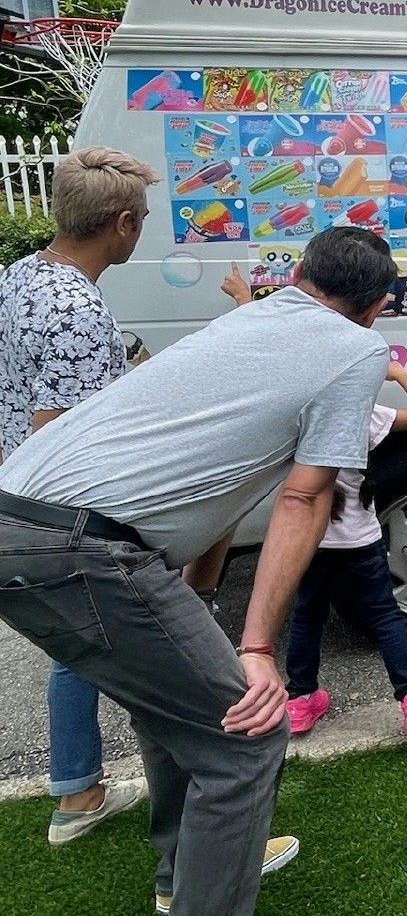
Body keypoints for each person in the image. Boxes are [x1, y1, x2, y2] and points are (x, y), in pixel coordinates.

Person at [0, 226, 396, 914]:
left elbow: (220, 489)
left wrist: (203, 600)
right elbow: (303, 496)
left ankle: (179, 877)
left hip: (19, 513)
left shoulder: (254, 317)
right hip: (82, 545)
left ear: (299, 274)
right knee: (247, 734)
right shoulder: (358, 349)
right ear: (377, 306)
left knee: (173, 705)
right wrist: (260, 647)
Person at [0, 147, 155, 845]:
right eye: (143, 218)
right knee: (136, 648)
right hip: (55, 510)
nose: (142, 227)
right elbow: (56, 436)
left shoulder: (20, 276)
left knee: (75, 648)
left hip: (14, 493)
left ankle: (78, 789)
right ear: (121, 224)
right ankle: (97, 797)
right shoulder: (76, 307)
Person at [221, 265, 407, 736]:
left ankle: (302, 699)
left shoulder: (296, 414)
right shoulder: (364, 416)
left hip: (312, 541)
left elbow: (266, 355)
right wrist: (398, 373)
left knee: (307, 617)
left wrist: (242, 299)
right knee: (385, 616)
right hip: (361, 538)